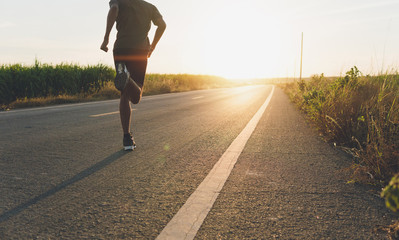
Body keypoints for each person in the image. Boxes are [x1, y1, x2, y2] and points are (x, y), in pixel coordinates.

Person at [100, 0, 166, 151]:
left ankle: (127, 139)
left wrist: (106, 39)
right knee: (135, 97)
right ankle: (127, 78)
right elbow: (162, 25)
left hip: (120, 49)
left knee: (124, 93)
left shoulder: (118, 2)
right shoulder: (150, 7)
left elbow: (114, 10)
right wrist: (152, 46)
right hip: (139, 51)